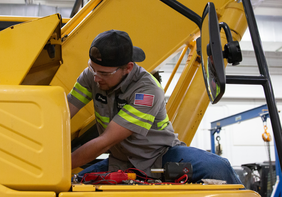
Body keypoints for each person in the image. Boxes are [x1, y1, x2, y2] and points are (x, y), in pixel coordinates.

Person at [67, 29, 241, 184]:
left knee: (218, 168)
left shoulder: (147, 91)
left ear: (128, 67)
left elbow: (105, 142)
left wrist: (59, 165)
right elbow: (63, 113)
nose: (96, 78)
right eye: (92, 69)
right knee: (70, 186)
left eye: (104, 73)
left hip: (160, 156)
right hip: (120, 161)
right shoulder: (92, 76)